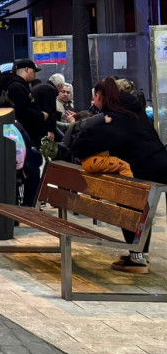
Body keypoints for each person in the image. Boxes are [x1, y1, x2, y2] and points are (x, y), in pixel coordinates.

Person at [60, 77, 167, 273]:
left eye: (95, 98)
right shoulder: (131, 110)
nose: (93, 102)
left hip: (143, 167)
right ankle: (139, 254)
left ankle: (137, 259)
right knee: (137, 207)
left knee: (130, 205)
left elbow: (83, 145)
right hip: (157, 161)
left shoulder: (115, 117)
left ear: (100, 96)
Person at [3, 59, 48, 206]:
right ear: (27, 70)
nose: (34, 74)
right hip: (23, 137)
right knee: (32, 168)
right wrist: (40, 115)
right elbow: (23, 112)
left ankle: (29, 203)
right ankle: (28, 204)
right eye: (34, 70)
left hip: (25, 136)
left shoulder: (20, 86)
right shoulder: (17, 87)